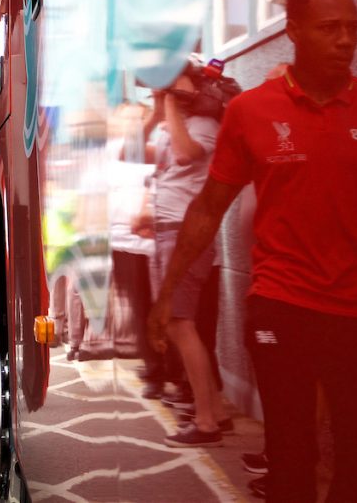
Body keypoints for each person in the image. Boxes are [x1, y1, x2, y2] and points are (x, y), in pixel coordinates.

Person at [150, 0, 357, 502]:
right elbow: (208, 207)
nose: (345, 40)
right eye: (330, 28)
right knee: (292, 461)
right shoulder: (251, 112)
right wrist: (167, 292)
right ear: (294, 31)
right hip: (282, 308)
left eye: (352, 29)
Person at [134, 71, 231, 448]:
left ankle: (206, 421)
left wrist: (172, 105)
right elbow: (135, 150)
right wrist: (158, 109)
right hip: (167, 229)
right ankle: (216, 413)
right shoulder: (169, 121)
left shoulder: (205, 123)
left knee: (179, 323)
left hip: (184, 232)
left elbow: (188, 153)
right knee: (182, 324)